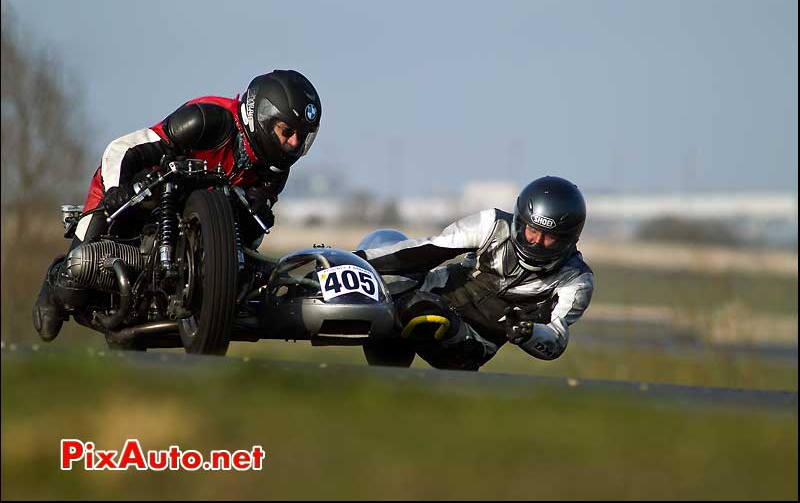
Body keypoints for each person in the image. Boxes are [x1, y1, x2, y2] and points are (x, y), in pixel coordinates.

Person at [32, 69, 323, 342]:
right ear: (261, 117)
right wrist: (116, 191)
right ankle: (56, 279)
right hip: (142, 193)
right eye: (287, 131)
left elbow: (256, 220)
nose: (294, 144)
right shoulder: (208, 121)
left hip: (198, 221)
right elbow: (123, 148)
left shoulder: (274, 170)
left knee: (255, 230)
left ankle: (203, 293)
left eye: (302, 137)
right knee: (75, 283)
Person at [355, 176, 594, 371]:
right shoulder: (491, 224)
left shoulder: (576, 279)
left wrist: (529, 332)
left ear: (568, 240)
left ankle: (391, 374)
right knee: (386, 250)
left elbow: (557, 339)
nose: (536, 243)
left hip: (470, 342)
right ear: (520, 221)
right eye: (532, 231)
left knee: (419, 309)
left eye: (549, 237)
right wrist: (356, 260)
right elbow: (427, 249)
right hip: (432, 291)